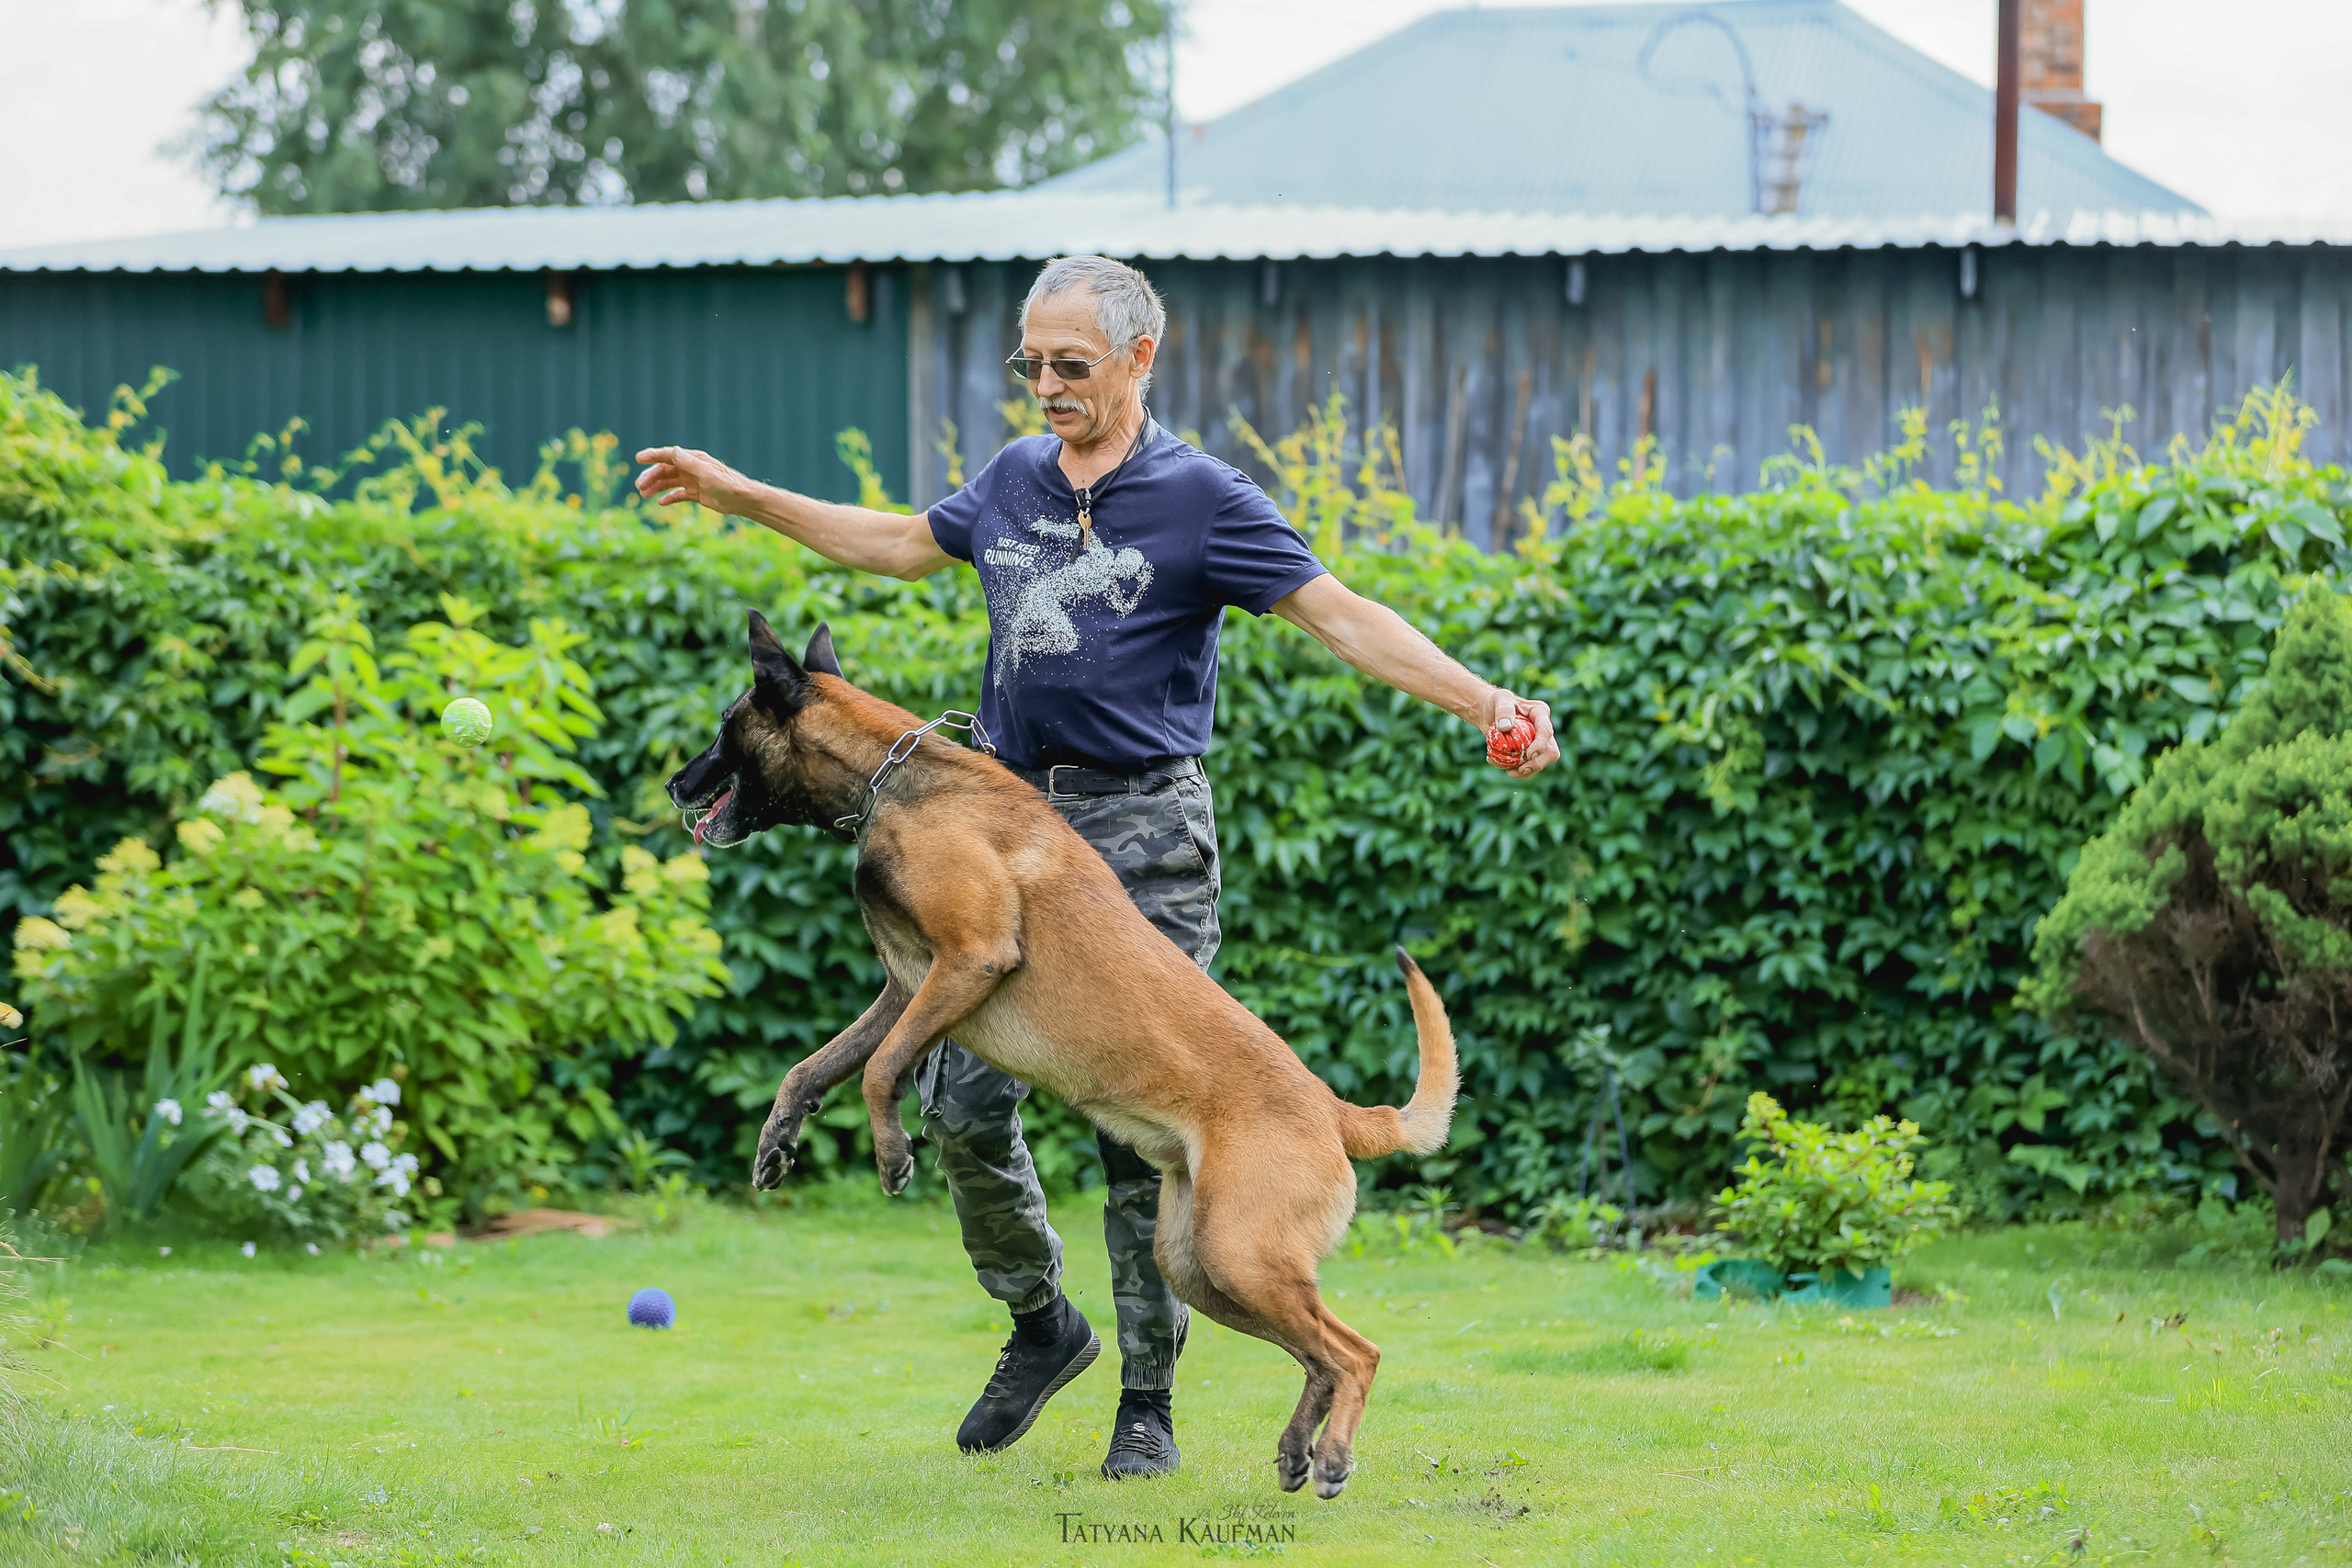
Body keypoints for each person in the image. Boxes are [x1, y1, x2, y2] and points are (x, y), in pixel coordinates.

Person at [633, 254, 1559, 1481]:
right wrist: (738, 493)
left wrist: (1484, 699)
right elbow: (904, 543)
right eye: (1034, 366)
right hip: (1007, 814)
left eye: (1073, 365)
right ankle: (1039, 1324)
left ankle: (1147, 1406)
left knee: (1155, 1146)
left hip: (1145, 831)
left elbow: (1344, 617)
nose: (1049, 387)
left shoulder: (1203, 499)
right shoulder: (1017, 478)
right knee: (963, 1112)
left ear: (1138, 361)